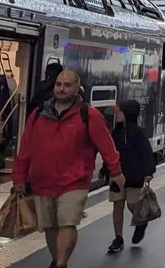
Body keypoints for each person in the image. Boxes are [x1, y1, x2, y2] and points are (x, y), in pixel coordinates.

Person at [14, 70, 124, 268]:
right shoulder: (38, 114)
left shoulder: (88, 115)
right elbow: (26, 147)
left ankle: (61, 263)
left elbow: (107, 145)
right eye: (59, 84)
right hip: (42, 180)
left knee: (67, 221)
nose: (62, 89)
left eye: (67, 85)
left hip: (74, 181)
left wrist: (116, 172)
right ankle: (57, 259)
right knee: (49, 225)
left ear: (77, 89)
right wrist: (19, 176)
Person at [107, 100, 156, 254]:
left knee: (132, 204)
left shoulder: (138, 134)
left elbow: (147, 154)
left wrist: (148, 172)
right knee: (117, 205)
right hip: (117, 174)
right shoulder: (117, 132)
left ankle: (141, 222)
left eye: (120, 112)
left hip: (135, 175)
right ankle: (118, 238)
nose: (118, 114)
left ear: (127, 114)